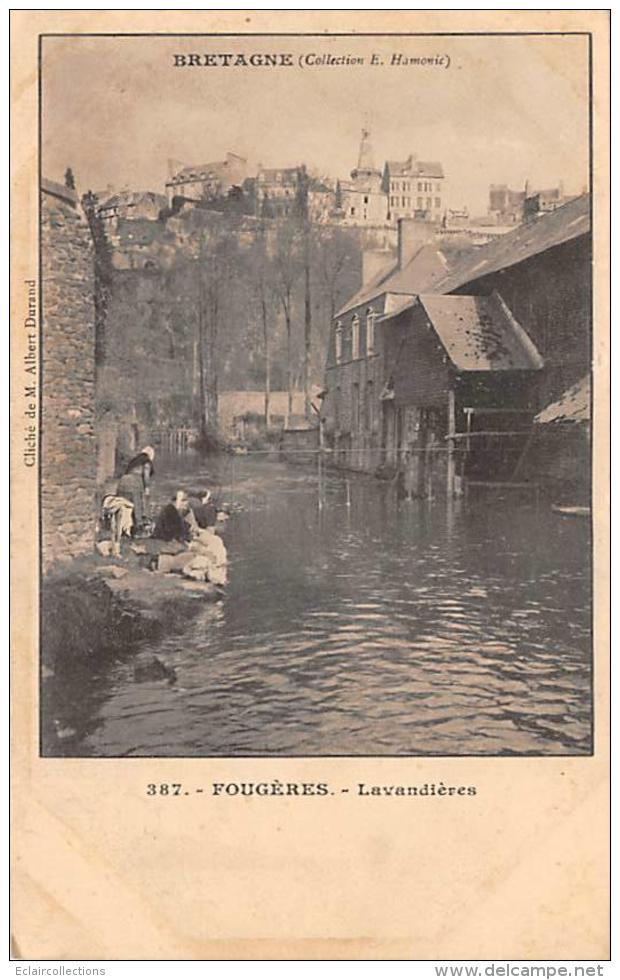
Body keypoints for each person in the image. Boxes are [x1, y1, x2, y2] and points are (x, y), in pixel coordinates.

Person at [116, 446, 155, 531]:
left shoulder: (134, 461)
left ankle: (121, 525)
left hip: (123, 481)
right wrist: (147, 487)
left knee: (123, 504)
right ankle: (137, 526)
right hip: (135, 481)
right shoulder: (146, 462)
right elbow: (146, 475)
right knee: (137, 504)